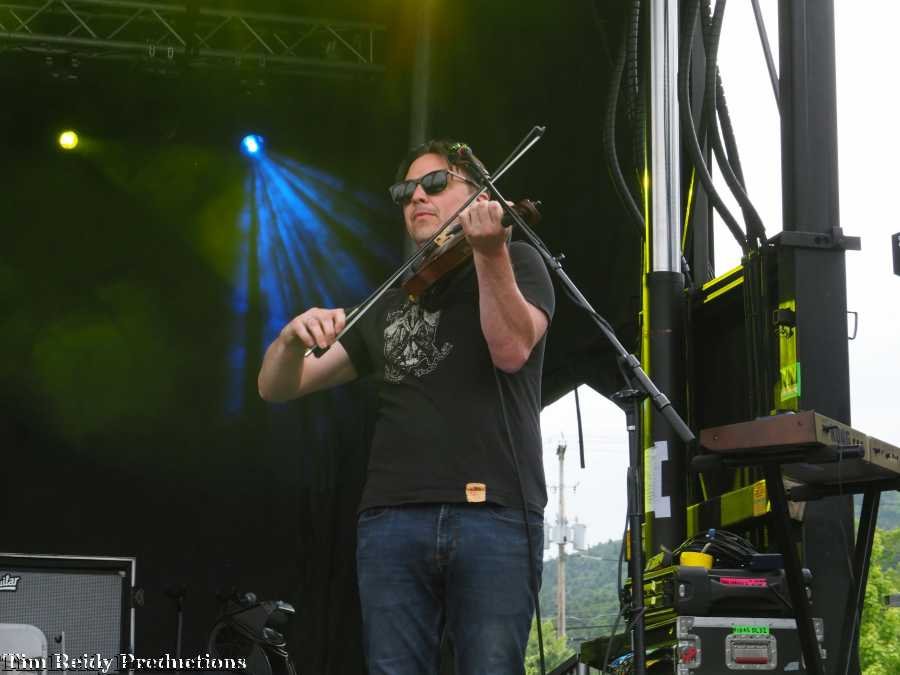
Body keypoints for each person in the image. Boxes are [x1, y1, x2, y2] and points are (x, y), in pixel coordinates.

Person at [258, 139, 555, 674]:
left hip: (494, 512)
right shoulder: (393, 297)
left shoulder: (519, 262)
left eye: (435, 184)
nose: (417, 196)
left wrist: (489, 252)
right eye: (405, 190)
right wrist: (288, 340)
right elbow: (278, 387)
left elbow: (511, 350)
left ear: (480, 194)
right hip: (391, 517)